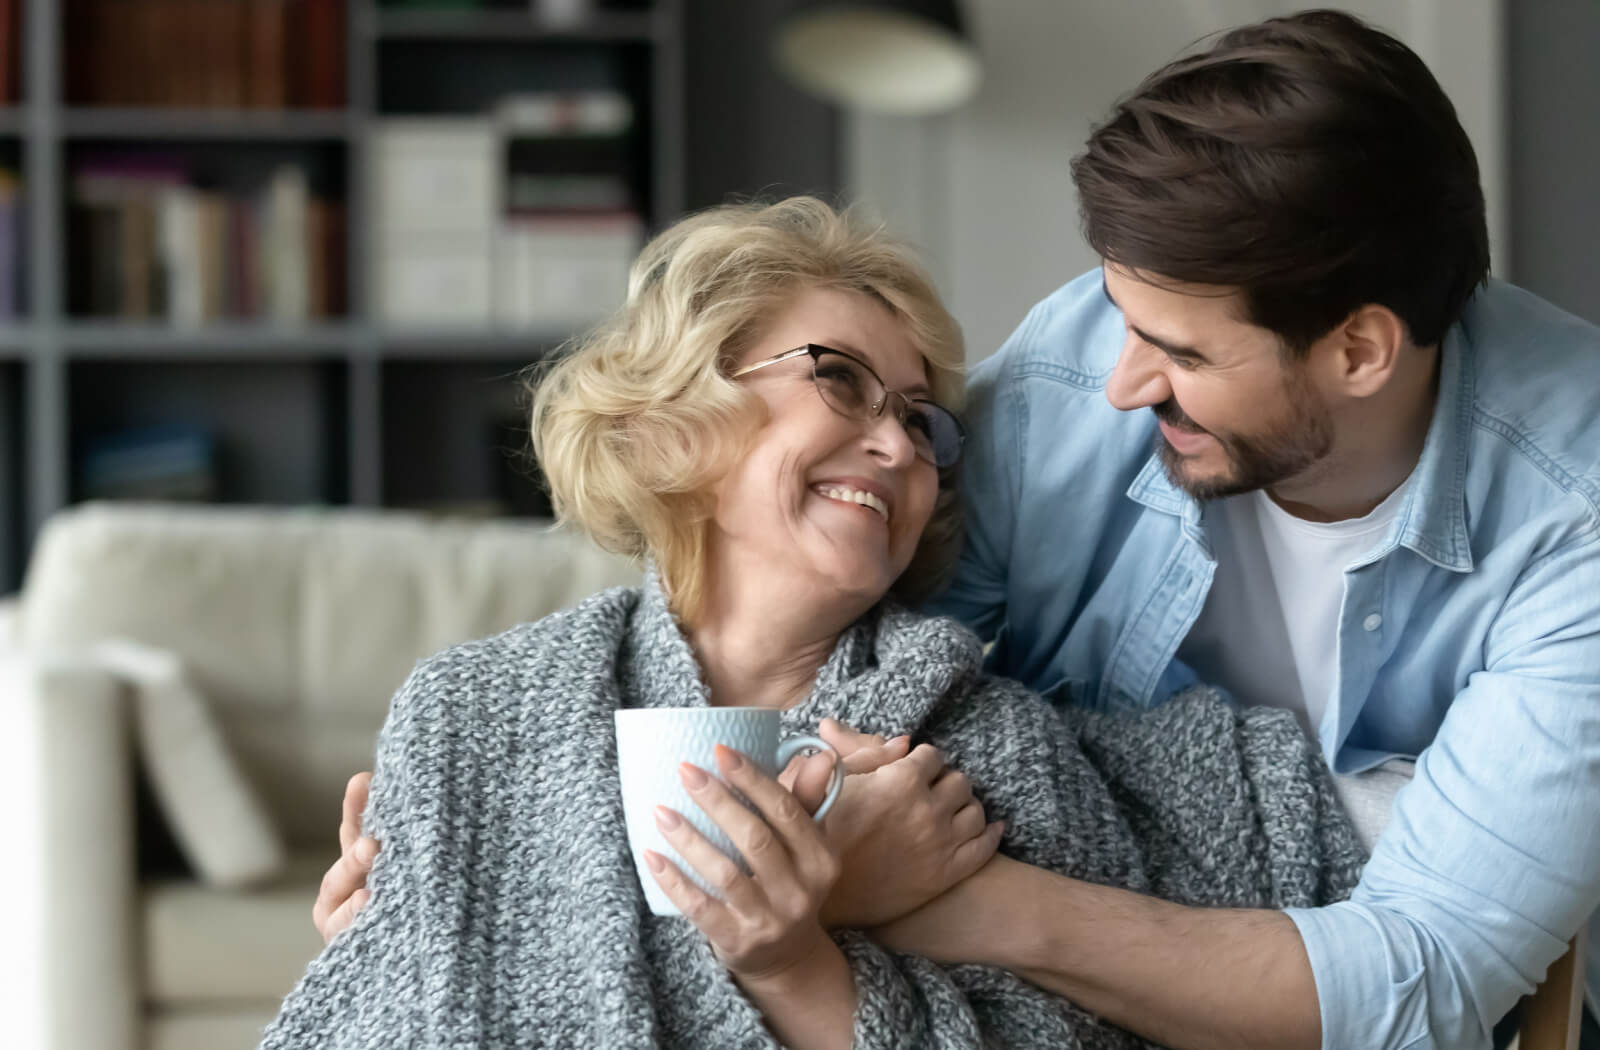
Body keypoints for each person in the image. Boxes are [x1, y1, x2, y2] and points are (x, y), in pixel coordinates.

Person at [318, 10, 1600, 1050]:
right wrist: (442, 914)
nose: (1117, 382)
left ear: (1360, 348)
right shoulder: (1058, 382)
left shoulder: (1572, 520)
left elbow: (1425, 975)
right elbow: (863, 644)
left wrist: (894, 909)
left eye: (1175, 350)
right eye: (840, 381)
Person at [268, 196, 1363, 1050]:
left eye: (922, 422)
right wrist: (401, 950)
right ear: (668, 419)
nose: (896, 446)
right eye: (839, 381)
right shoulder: (473, 711)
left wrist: (793, 962)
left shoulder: (973, 756)